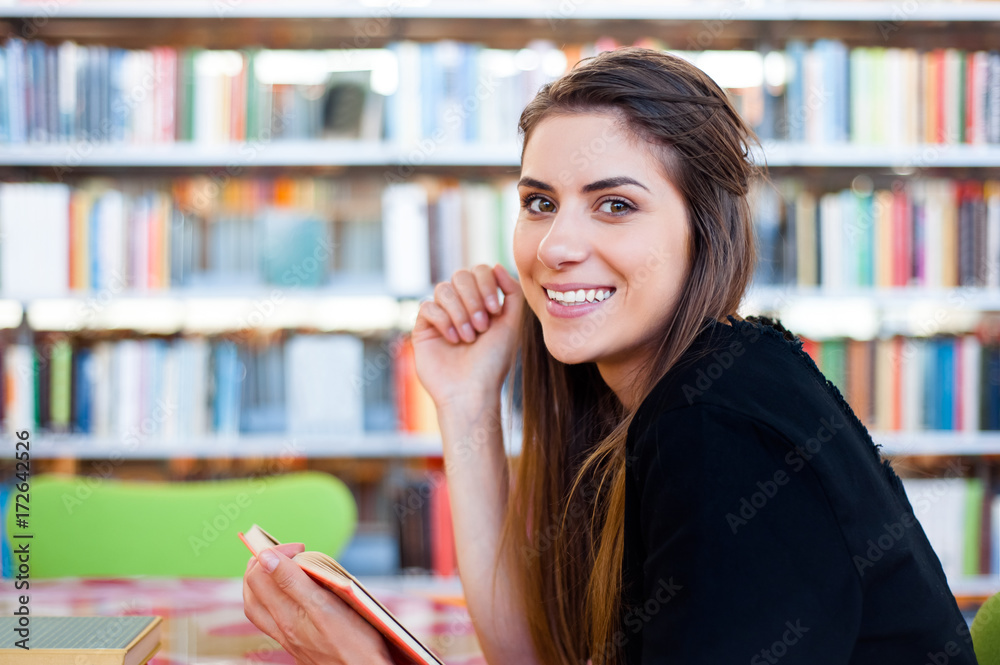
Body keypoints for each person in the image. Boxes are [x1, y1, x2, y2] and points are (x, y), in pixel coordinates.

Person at [243, 47, 978, 665]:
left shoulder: (717, 426)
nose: (557, 246)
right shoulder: (657, 393)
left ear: (705, 231)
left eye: (615, 204)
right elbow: (531, 652)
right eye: (539, 202)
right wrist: (467, 404)